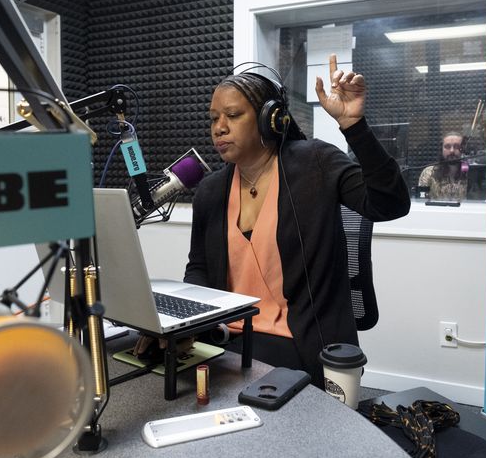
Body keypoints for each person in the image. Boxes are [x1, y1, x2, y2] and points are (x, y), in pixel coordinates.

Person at [180, 54, 410, 387]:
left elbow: (390, 204)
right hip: (226, 336)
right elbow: (198, 267)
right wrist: (187, 324)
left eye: (232, 115)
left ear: (267, 119)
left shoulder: (315, 163)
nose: (219, 127)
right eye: (214, 117)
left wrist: (354, 127)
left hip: (300, 340)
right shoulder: (210, 191)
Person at [417, 131, 468, 201]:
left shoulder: (471, 173)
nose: (452, 151)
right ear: (441, 149)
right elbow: (421, 202)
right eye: (447, 147)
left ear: (463, 149)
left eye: (456, 147)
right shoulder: (428, 173)